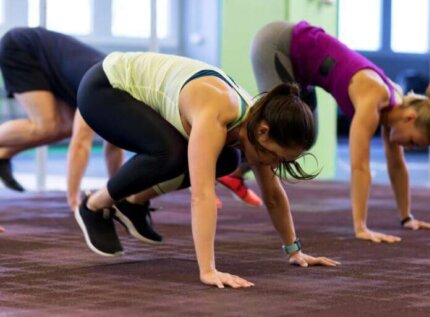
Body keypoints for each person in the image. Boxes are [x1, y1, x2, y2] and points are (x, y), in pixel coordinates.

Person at [75, 51, 340, 289]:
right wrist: (208, 270)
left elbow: (273, 194)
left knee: (227, 160)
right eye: (275, 157)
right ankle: (94, 205)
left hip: (131, 96)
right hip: (104, 89)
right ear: (263, 131)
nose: (272, 165)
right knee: (170, 153)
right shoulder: (218, 112)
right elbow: (201, 195)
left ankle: (133, 203)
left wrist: (294, 250)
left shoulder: (258, 123)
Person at [226, 20, 430, 244]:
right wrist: (361, 227)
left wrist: (407, 217)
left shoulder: (395, 107)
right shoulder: (375, 96)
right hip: (277, 45)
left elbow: (397, 167)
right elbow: (359, 166)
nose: (407, 147)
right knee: (279, 130)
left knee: (305, 138)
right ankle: (220, 158)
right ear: (410, 118)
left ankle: (234, 173)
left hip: (300, 70)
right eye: (413, 142)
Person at [0, 27, 123, 206]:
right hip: (22, 47)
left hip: (49, 62)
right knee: (45, 126)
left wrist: (119, 196)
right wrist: (74, 202)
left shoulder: (121, 100)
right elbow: (80, 145)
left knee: (66, 126)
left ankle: (3, 155)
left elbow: (115, 145)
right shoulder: (102, 91)